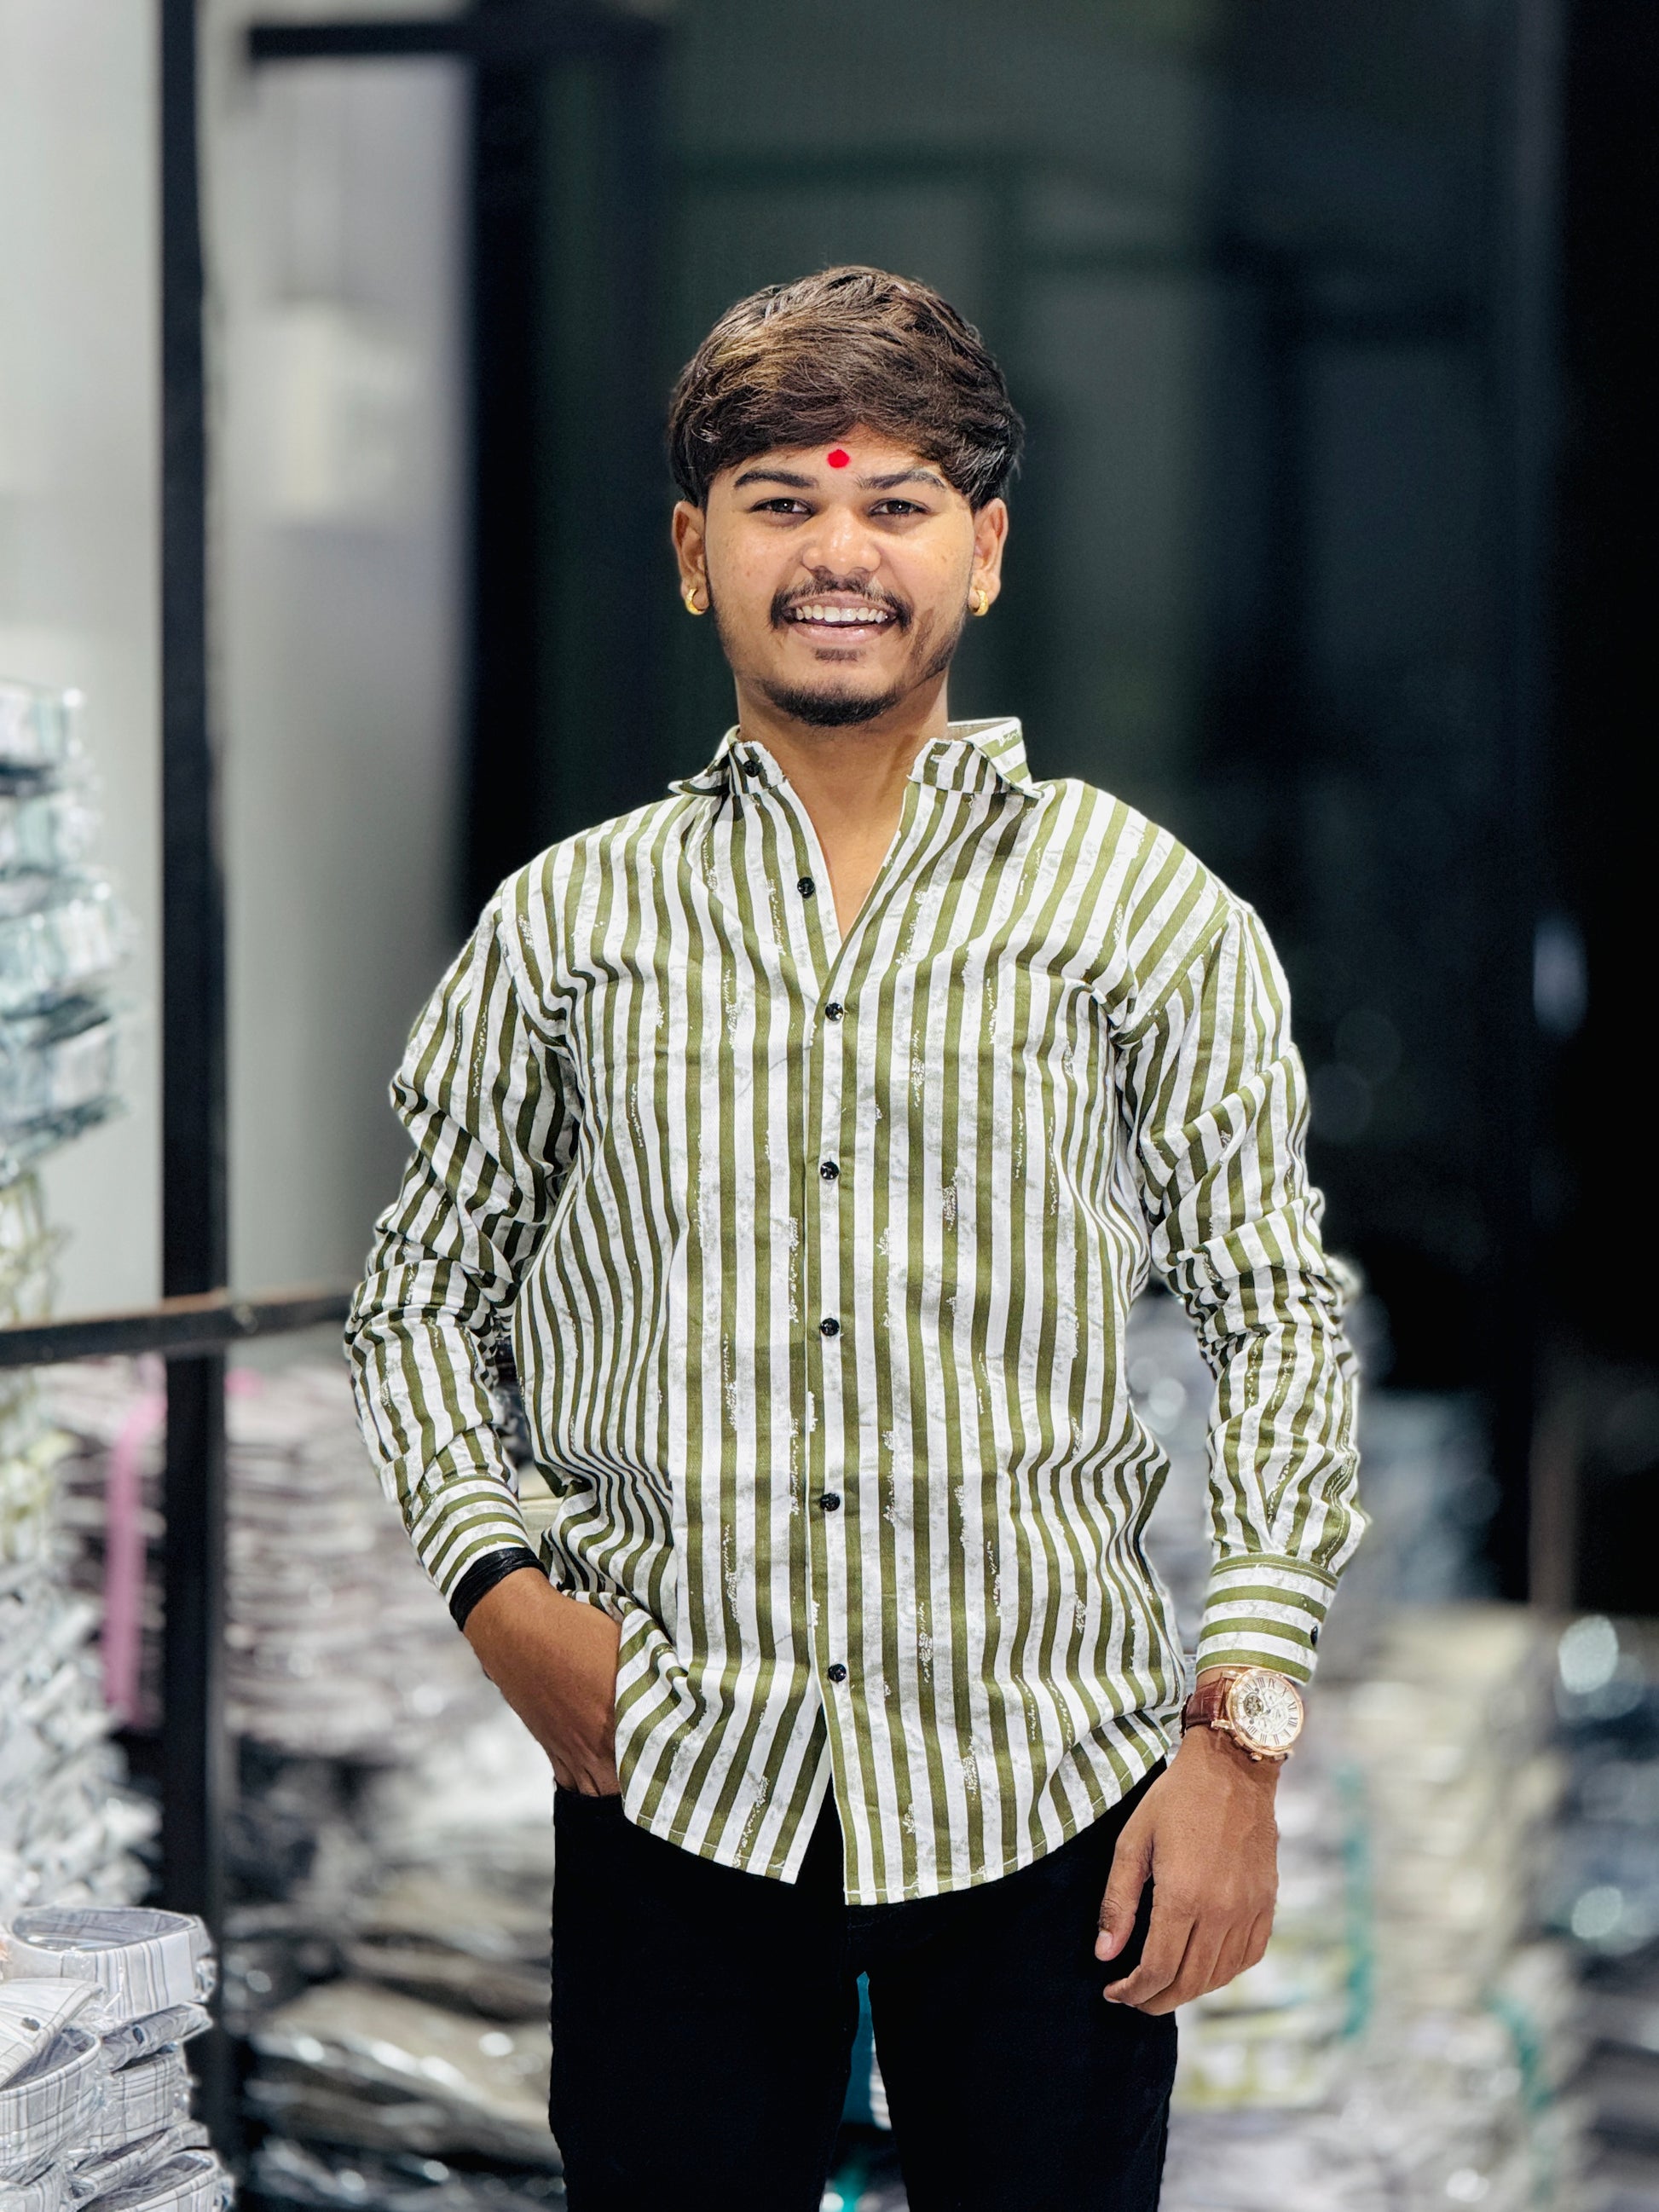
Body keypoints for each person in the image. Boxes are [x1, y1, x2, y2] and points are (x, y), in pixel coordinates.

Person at [347, 265, 1362, 2212]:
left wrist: (1239, 1742)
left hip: (1048, 1788)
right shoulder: (568, 926)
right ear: (692, 554)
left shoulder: (1140, 910)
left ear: (983, 551)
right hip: (675, 1775)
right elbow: (418, 1293)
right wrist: (496, 1591)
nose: (837, 553)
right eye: (779, 503)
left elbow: (1276, 1316)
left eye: (896, 502)